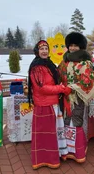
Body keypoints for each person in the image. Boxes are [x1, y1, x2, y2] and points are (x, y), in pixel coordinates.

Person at [28, 40, 71, 169]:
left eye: (46, 48)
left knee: (53, 133)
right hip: (44, 105)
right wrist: (62, 89)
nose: (44, 51)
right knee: (46, 135)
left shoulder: (49, 64)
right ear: (37, 51)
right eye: (41, 49)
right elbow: (42, 88)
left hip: (53, 104)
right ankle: (46, 159)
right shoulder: (37, 67)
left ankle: (55, 155)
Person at [58, 32, 94, 163]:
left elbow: (87, 80)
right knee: (65, 122)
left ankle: (78, 153)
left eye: (76, 45)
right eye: (71, 45)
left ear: (81, 47)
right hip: (64, 96)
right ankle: (66, 151)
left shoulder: (85, 62)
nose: (73, 48)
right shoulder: (64, 60)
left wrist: (72, 88)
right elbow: (58, 75)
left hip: (77, 97)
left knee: (76, 122)